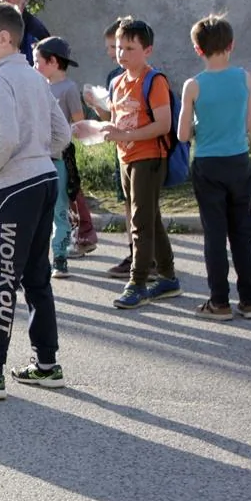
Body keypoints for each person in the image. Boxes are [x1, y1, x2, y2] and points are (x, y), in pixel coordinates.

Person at [0, 3, 73, 398]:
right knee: (36, 277)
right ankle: (47, 363)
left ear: (4, 39)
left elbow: (5, 138)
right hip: (45, 180)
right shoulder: (34, 77)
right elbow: (61, 135)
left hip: (17, 187)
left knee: (2, 279)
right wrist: (38, 153)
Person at [177, 14, 251, 320]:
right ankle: (249, 299)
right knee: (242, 232)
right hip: (239, 159)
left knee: (215, 234)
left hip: (208, 163)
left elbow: (183, 134)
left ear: (198, 49)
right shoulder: (244, 78)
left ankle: (219, 301)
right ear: (231, 45)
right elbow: (248, 124)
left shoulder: (193, 86)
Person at [100, 18, 181, 310]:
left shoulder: (154, 80)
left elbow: (163, 124)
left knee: (140, 222)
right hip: (126, 157)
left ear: (147, 50)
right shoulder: (117, 82)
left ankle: (137, 282)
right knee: (149, 218)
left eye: (129, 48)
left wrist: (125, 134)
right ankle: (169, 277)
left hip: (149, 158)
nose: (122, 54)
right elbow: (116, 119)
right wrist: (98, 125)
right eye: (119, 47)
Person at [32, 36, 84, 277]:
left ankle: (60, 256)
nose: (35, 67)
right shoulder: (36, 85)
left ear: (53, 62)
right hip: (36, 157)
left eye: (37, 62)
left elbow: (79, 122)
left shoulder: (68, 89)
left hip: (59, 158)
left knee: (60, 209)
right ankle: (38, 257)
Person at [85, 22, 132, 279]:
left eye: (114, 46)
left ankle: (144, 257)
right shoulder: (113, 76)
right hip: (122, 147)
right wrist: (95, 105)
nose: (112, 52)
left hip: (137, 148)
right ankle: (136, 251)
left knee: (140, 205)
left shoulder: (142, 74)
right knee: (128, 203)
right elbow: (111, 117)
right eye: (111, 47)